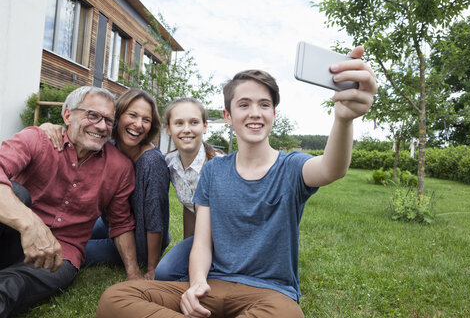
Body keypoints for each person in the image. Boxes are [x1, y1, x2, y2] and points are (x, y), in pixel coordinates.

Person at [96, 46, 377, 317]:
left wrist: (344, 120)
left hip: (271, 295)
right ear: (228, 116)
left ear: (273, 115)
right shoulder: (214, 170)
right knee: (116, 298)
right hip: (211, 286)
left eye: (264, 104)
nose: (255, 112)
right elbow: (202, 242)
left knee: (288, 314)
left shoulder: (291, 167)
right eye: (244, 104)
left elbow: (331, 169)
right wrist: (196, 284)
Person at [0, 86, 142, 317]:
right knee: (18, 193)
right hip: (12, 235)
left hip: (62, 252)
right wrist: (30, 224)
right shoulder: (37, 138)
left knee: (16, 285)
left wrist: (133, 272)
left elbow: (121, 222)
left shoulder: (120, 167)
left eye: (108, 120)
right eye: (92, 115)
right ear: (67, 115)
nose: (101, 126)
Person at [41, 89, 170, 280]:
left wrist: (152, 268)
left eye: (146, 119)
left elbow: (155, 219)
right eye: (132, 115)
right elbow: (78, 133)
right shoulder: (109, 145)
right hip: (111, 222)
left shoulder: (151, 162)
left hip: (141, 238)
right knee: (64, 230)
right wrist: (49, 126)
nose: (138, 124)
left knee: (68, 248)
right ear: (117, 117)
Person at [153, 97, 220, 281]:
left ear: (205, 126)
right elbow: (189, 207)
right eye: (179, 123)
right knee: (164, 273)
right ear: (168, 128)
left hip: (227, 238)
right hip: (202, 239)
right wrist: (188, 246)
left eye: (194, 122)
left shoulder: (218, 165)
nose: (187, 129)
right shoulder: (169, 163)